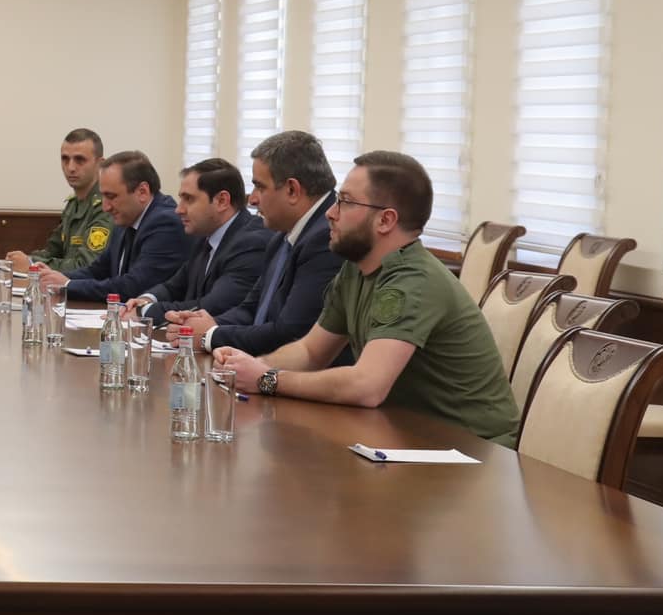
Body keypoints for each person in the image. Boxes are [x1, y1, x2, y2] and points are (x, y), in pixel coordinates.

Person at [212, 150, 521, 446]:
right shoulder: (357, 269)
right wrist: (247, 368)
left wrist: (267, 379)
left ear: (385, 220)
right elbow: (310, 352)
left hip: (471, 451)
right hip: (406, 435)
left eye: (345, 203)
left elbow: (366, 386)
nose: (331, 214)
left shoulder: (412, 280)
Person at [169, 130, 343, 355]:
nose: (252, 199)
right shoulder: (282, 235)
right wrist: (202, 323)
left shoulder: (325, 239)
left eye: (260, 187)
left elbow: (289, 333)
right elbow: (251, 310)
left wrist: (209, 335)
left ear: (292, 190)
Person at [127, 158, 274, 322]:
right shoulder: (205, 234)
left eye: (189, 199)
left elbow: (212, 307)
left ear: (221, 201)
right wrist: (148, 299)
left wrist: (144, 311)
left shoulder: (251, 243)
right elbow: (174, 287)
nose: (179, 209)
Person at [37, 151, 191, 302]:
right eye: (103, 196)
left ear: (142, 192)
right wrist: (52, 278)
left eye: (111, 197)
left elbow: (133, 287)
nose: (105, 207)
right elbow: (98, 270)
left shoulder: (166, 223)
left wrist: (67, 285)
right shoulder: (127, 217)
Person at [7, 128, 114, 275]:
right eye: (65, 159)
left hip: (90, 293)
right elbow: (52, 250)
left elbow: (87, 265)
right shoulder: (73, 204)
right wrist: (24, 259)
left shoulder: (106, 205)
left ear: (100, 163)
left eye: (80, 160)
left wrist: (31, 264)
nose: (70, 167)